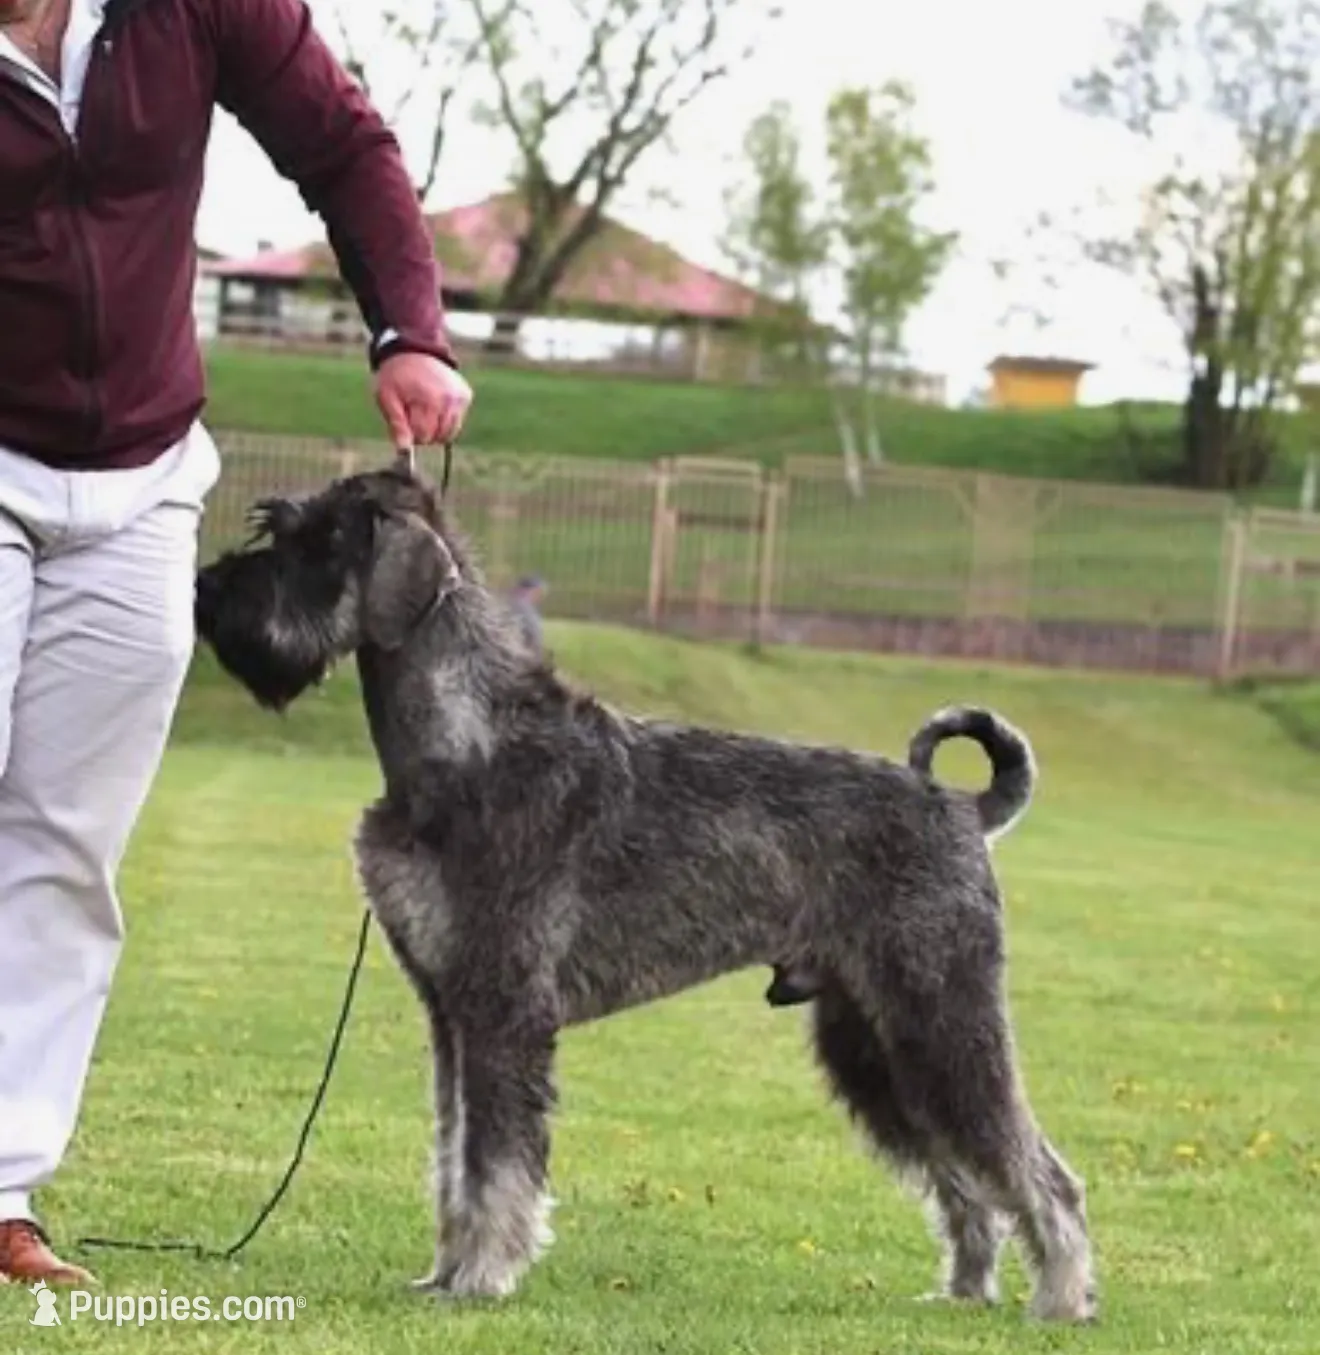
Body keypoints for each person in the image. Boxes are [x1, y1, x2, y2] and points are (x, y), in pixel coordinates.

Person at [0, 0, 473, 1285]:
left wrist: (408, 328)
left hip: (141, 476)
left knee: (66, 840)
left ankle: (1, 1190)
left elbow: (345, 144)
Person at [508, 574, 547, 657]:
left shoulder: (513, 604)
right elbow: (533, 635)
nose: (540, 596)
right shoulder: (523, 608)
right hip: (522, 655)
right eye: (538, 591)